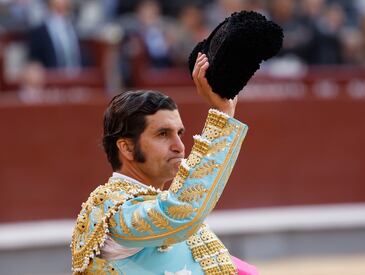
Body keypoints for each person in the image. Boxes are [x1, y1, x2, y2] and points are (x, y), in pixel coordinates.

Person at [71, 53, 256, 274]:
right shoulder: (111, 213)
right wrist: (221, 117)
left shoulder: (166, 213)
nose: (179, 146)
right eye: (163, 134)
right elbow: (180, 213)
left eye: (179, 133)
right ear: (127, 148)